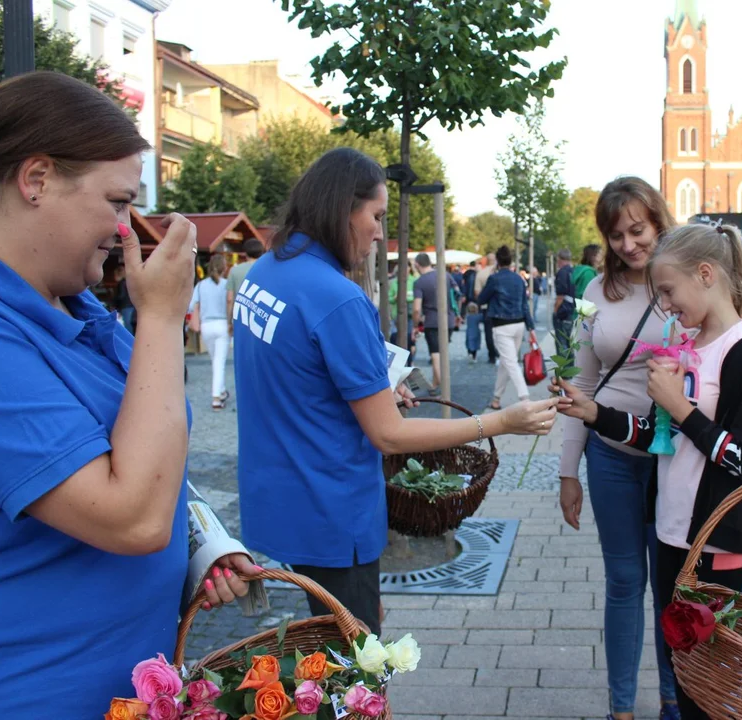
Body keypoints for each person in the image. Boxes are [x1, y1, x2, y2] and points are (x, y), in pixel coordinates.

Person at [0, 71, 255, 719]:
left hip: (130, 690)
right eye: (115, 202)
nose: (123, 228)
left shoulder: (79, 309)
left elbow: (152, 450)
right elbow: (133, 518)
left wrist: (201, 540)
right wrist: (164, 320)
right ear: (37, 180)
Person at [234, 147, 557, 634]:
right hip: (332, 509)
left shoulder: (266, 272)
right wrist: (501, 422)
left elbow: (295, 374)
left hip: (281, 500)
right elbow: (388, 435)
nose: (381, 233)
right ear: (343, 209)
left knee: (326, 652)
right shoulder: (336, 296)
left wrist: (375, 385)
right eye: (377, 216)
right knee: (355, 677)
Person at [554, 223, 742, 720]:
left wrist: (682, 409)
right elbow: (662, 438)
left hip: (716, 542)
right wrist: (595, 414)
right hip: (671, 532)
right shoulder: (687, 343)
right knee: (682, 669)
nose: (664, 304)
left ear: (705, 274)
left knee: (709, 677)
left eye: (668, 291)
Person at [557, 177, 680, 720]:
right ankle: (622, 708)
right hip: (609, 455)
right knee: (626, 581)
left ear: (657, 220)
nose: (629, 245)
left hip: (675, 459)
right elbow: (581, 387)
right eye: (616, 236)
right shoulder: (595, 293)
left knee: (672, 587)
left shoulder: (684, 278)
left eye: (637, 230)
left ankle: (676, 700)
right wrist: (567, 471)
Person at [477, 245, 535, 410]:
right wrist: (531, 328)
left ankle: (525, 399)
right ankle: (496, 399)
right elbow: (525, 305)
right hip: (519, 325)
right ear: (510, 261)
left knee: (510, 362)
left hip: (501, 326)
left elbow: (481, 299)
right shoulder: (518, 279)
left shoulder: (494, 279)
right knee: (506, 361)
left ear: (497, 261)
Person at [412, 252, 458, 396]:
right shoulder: (446, 275)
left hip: (432, 321)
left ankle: (444, 389)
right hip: (449, 319)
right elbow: (457, 293)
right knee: (441, 352)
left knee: (436, 355)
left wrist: (415, 324)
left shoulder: (419, 282)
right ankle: (434, 385)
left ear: (418, 265)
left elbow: (416, 308)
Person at [190, 253, 231, 410]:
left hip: (206, 325)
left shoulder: (200, 286)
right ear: (224, 268)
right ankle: (216, 397)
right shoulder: (227, 285)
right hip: (222, 324)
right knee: (219, 362)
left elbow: (193, 305)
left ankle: (220, 391)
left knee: (215, 360)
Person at [227, 237, 265, 337]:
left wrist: (229, 321)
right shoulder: (267, 269)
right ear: (261, 252)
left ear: (245, 253)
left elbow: (230, 298)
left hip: (240, 316)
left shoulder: (234, 271)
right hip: (261, 317)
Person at [553, 247, 576, 350]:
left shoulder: (562, 272)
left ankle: (564, 366)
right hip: (572, 311)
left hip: (563, 312)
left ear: (560, 259)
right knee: (568, 342)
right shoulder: (574, 271)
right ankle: (570, 365)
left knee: (561, 343)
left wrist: (555, 311)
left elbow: (560, 296)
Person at [463, 260, 482, 362]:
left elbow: (465, 287)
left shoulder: (466, 274)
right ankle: (473, 355)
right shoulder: (475, 275)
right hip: (474, 299)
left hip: (469, 299)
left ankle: (470, 353)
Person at [114, 263, 137, 333]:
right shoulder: (129, 281)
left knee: (128, 326)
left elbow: (121, 296)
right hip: (132, 305)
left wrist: (115, 304)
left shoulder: (122, 283)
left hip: (125, 306)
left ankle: (130, 342)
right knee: (131, 325)